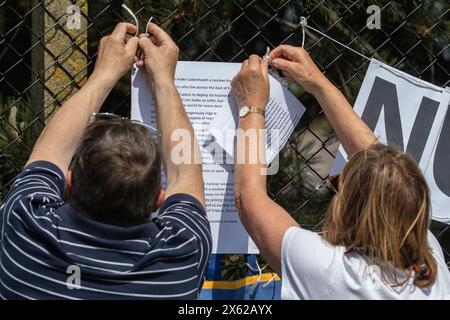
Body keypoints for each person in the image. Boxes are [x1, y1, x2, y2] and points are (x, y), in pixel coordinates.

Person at [0, 22, 211, 299]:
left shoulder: (24, 226)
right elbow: (185, 174)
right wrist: (164, 81)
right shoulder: (181, 254)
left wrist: (104, 74)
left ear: (70, 182)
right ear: (158, 200)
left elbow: (50, 153)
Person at [231, 45, 450, 299]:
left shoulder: (333, 270)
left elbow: (249, 200)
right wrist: (318, 83)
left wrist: (251, 106)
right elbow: (379, 166)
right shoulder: (427, 264)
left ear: (349, 208)